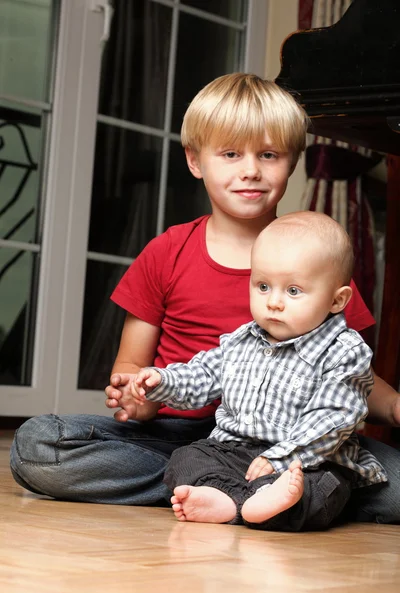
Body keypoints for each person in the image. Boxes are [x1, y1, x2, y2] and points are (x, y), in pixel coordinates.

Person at [9, 73, 400, 523]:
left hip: (297, 439)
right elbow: (131, 367)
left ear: (292, 161)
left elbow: (351, 380)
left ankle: (230, 492)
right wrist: (138, 396)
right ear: (195, 160)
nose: (250, 170)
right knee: (39, 445)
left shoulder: (321, 263)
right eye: (231, 154)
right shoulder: (167, 251)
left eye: (268, 154)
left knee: (390, 485)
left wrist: (392, 407)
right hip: (178, 432)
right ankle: (251, 493)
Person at [128, 212, 387, 531]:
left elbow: (331, 418)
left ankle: (269, 502)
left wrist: (283, 458)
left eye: (293, 291)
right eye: (263, 286)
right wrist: (162, 382)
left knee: (325, 488)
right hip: (234, 450)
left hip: (306, 460)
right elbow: (203, 376)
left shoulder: (345, 351)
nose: (274, 302)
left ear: (337, 300)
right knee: (186, 457)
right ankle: (234, 501)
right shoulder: (240, 341)